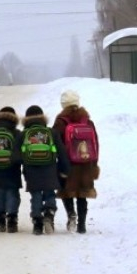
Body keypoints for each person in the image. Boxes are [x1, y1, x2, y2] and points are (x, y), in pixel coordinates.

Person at [17, 105, 70, 235]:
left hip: (31, 171)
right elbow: (62, 153)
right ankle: (49, 214)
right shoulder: (51, 132)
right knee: (50, 193)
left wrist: (21, 166)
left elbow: (15, 156)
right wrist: (65, 169)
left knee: (35, 195)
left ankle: (37, 222)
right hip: (50, 170)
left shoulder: (24, 134)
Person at [53, 90, 100, 234]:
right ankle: (82, 225)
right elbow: (95, 144)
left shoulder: (61, 122)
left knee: (66, 191)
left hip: (68, 164)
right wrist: (94, 164)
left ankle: (71, 214)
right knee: (82, 193)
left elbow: (55, 143)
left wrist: (58, 162)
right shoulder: (87, 121)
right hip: (86, 164)